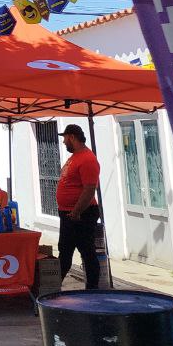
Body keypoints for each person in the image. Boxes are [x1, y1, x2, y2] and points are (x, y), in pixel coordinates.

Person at [56, 124, 101, 289]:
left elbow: (90, 188)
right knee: (65, 250)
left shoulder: (87, 159)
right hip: (69, 213)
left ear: (72, 137)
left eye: (64, 138)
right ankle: (54, 288)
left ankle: (92, 289)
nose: (63, 142)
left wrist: (76, 211)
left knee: (86, 251)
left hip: (82, 213)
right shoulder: (75, 157)